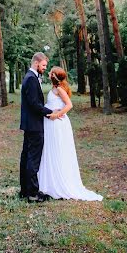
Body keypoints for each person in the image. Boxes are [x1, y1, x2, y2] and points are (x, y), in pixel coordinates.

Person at [38, 66, 103, 201]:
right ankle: (49, 181)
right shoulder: (55, 88)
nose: (48, 73)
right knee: (50, 150)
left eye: (51, 72)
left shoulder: (60, 89)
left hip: (57, 123)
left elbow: (69, 105)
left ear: (54, 76)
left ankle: (59, 182)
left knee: (57, 150)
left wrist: (57, 115)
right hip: (50, 123)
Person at [19, 52, 61, 203]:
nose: (45, 68)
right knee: (33, 158)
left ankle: (25, 190)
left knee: (26, 156)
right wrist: (51, 113)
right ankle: (32, 193)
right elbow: (35, 105)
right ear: (36, 63)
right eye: (43, 65)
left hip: (30, 124)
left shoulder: (30, 77)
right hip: (34, 125)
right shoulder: (31, 79)